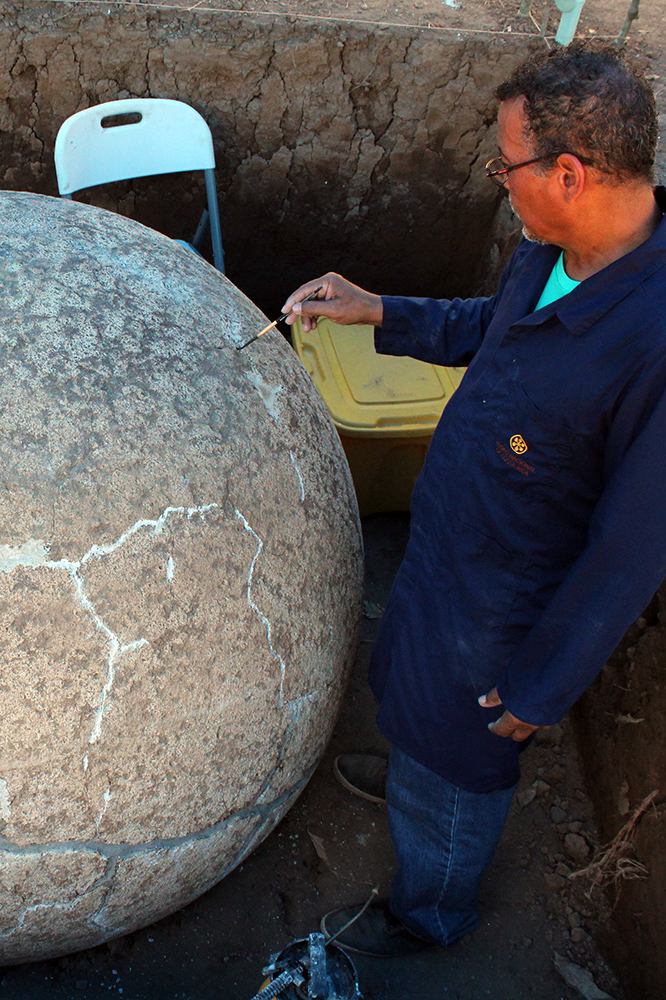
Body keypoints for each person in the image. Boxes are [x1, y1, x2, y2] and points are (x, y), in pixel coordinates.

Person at [280, 43, 666, 956]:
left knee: (466, 762)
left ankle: (432, 912)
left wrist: (540, 684)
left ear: (568, 173)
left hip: (504, 612)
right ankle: (414, 776)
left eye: (507, 164)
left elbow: (630, 550)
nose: (502, 182)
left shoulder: (651, 343)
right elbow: (488, 331)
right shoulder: (552, 253)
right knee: (415, 698)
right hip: (452, 548)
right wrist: (379, 309)